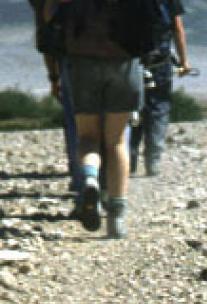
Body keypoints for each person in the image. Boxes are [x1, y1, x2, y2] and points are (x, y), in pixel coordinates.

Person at [44, 0, 143, 239]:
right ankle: (116, 220)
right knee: (117, 141)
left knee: (88, 137)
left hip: (81, 63)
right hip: (125, 62)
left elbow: (49, 16)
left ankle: (90, 178)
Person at [129, 0, 191, 177]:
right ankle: (153, 161)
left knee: (130, 109)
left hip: (131, 61)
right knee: (159, 109)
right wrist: (184, 60)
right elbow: (177, 27)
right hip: (160, 62)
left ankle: (128, 161)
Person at [29, 0, 80, 201]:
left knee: (76, 119)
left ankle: (82, 178)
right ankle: (112, 185)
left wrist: (53, 77)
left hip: (70, 56)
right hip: (115, 54)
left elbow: (46, 37)